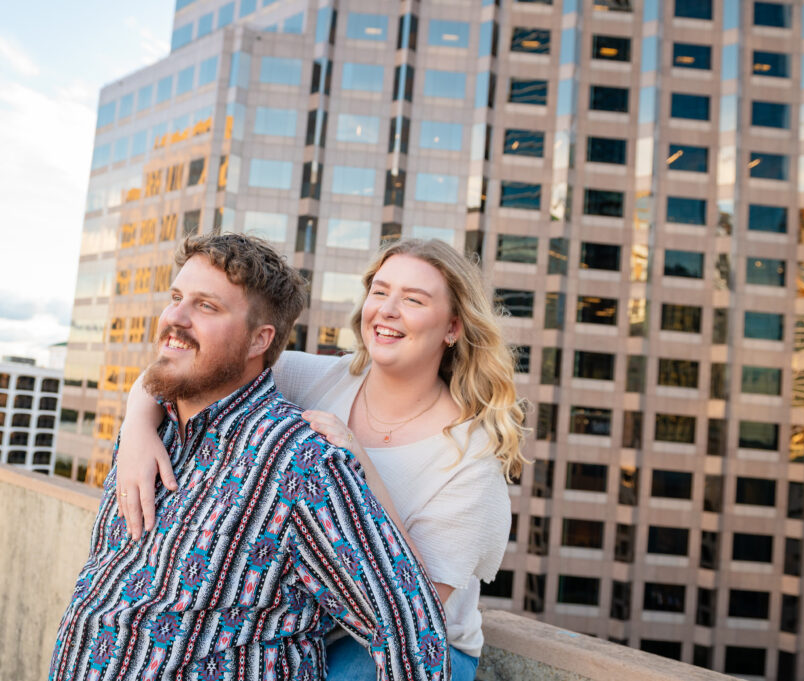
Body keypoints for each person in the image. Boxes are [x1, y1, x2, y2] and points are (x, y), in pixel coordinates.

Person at [116, 238, 528, 681]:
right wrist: (136, 430)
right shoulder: (315, 376)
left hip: (400, 649)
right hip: (310, 624)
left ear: (453, 327)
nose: (387, 309)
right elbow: (193, 365)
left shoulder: (471, 464)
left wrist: (363, 468)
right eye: (380, 291)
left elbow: (412, 608)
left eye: (413, 299)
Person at [48, 234, 451, 681]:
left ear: (260, 339)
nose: (175, 319)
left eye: (206, 307)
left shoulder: (298, 461)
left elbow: (412, 631)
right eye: (176, 298)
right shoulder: (149, 430)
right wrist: (136, 423)